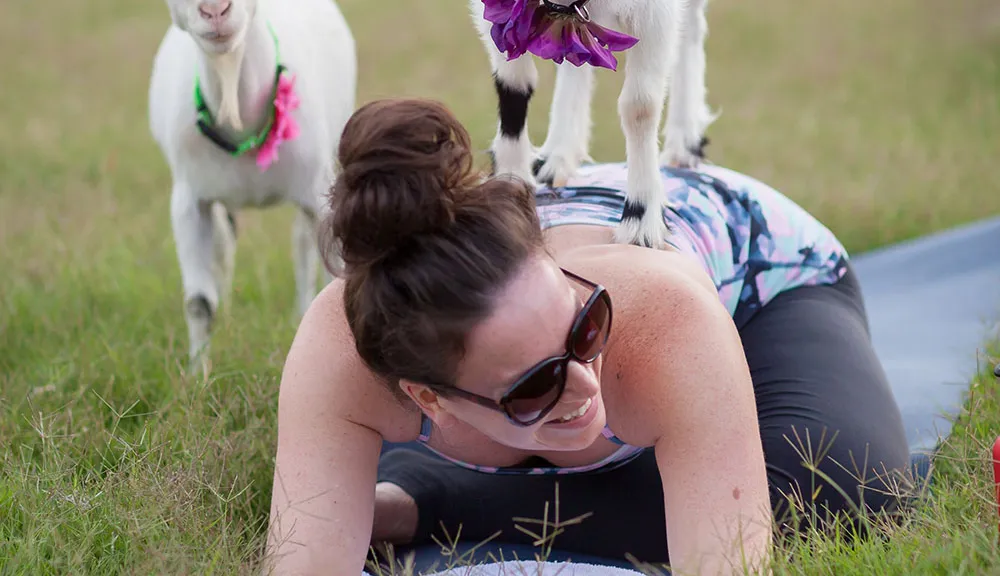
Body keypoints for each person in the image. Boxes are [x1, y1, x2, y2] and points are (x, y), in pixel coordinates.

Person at [263, 97, 911, 575]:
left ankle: (431, 499)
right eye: (535, 384)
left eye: (583, 325)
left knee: (846, 489)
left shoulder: (666, 321)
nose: (584, 380)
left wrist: (573, 355)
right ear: (427, 400)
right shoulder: (342, 353)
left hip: (758, 282)